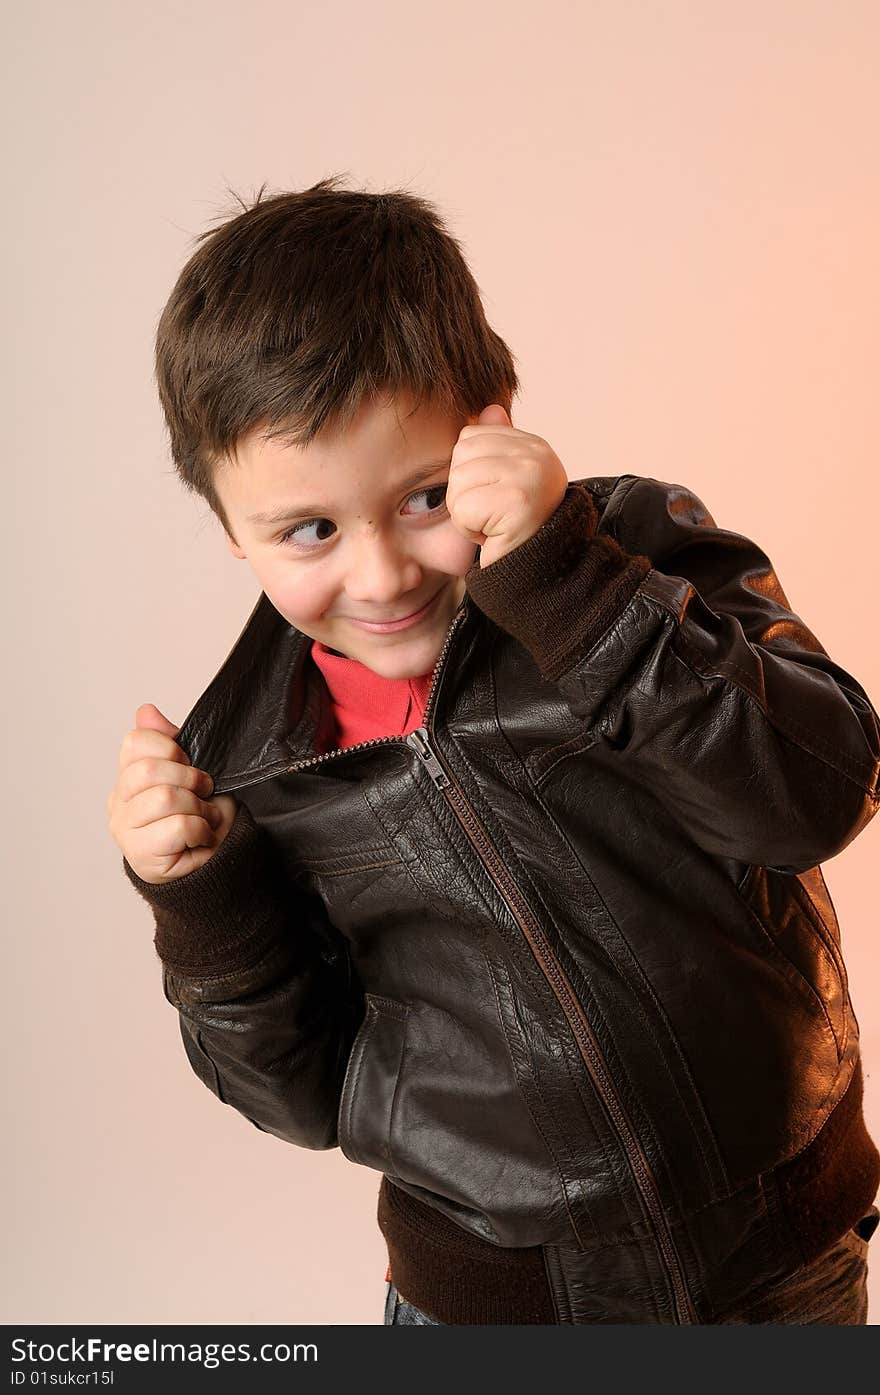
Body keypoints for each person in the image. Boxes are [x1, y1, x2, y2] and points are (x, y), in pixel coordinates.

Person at [106, 176, 880, 1324]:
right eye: (308, 529)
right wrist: (200, 901)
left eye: (424, 498)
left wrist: (574, 585)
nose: (380, 576)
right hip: (491, 1307)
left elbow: (814, 794)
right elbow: (295, 1095)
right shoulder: (255, 766)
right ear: (231, 531)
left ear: (495, 425)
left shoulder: (633, 558)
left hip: (776, 1266)